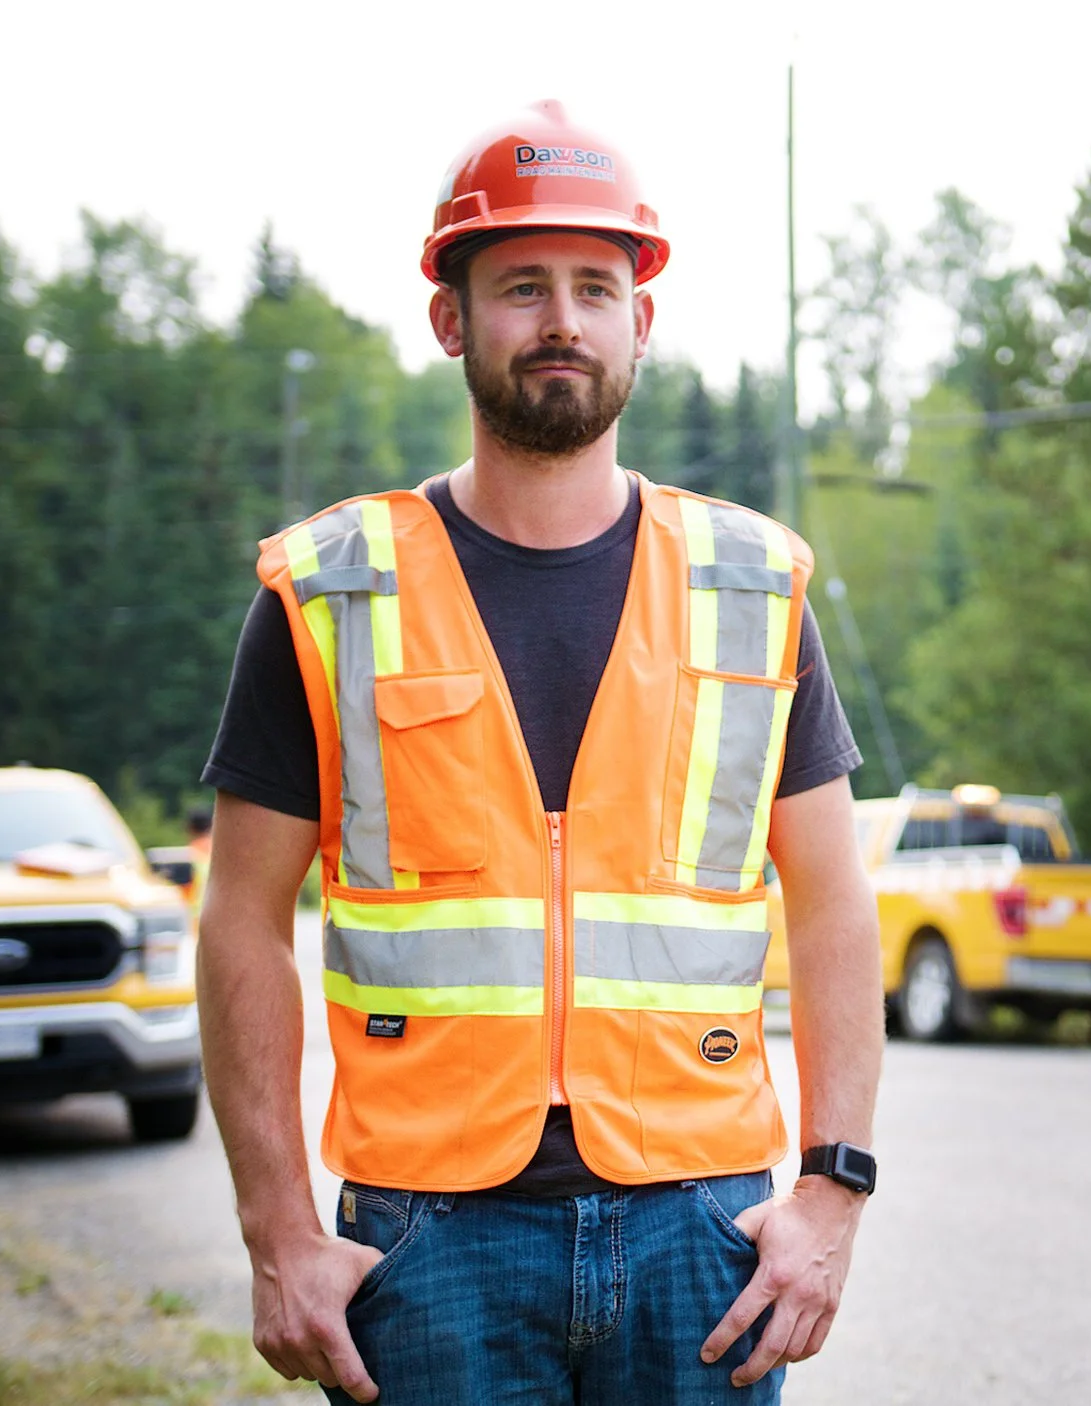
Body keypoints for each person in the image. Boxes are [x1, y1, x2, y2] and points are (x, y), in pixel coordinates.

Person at [195, 100, 884, 1405]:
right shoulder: (334, 593)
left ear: (643, 320)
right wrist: (278, 1228)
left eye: (594, 286)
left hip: (702, 1232)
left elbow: (836, 902)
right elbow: (240, 919)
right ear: (452, 318)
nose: (562, 319)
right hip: (430, 1236)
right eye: (521, 287)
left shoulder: (751, 587)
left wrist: (833, 1186)